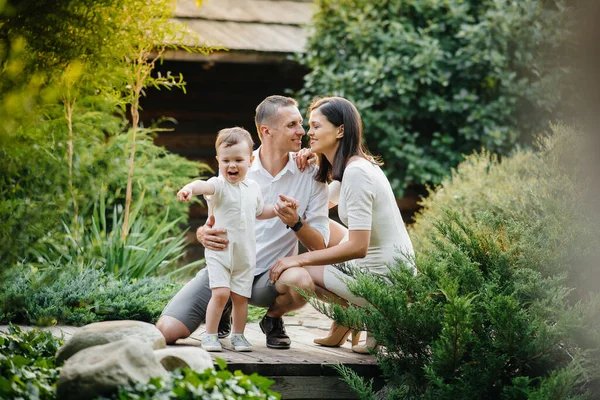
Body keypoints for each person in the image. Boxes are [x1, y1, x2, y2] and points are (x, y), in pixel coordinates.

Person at [156, 95, 330, 349]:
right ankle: (223, 303)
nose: (301, 131)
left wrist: (295, 222)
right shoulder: (236, 163)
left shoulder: (312, 174)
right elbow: (217, 212)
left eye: (301, 123)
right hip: (225, 263)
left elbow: (321, 245)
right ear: (266, 131)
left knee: (302, 282)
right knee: (167, 331)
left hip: (268, 278)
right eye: (292, 124)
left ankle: (272, 319)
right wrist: (203, 233)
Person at [269, 96, 416, 353]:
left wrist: (298, 260)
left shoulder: (357, 174)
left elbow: (358, 247)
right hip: (388, 268)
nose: (308, 133)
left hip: (384, 281)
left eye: (316, 126)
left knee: (301, 276)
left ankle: (366, 319)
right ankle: (347, 322)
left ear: (340, 130)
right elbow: (318, 207)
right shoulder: (354, 166)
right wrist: (309, 165)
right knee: (324, 226)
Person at [176, 127, 297, 352]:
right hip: (221, 253)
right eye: (226, 160)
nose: (232, 165)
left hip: (245, 255)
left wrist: (280, 208)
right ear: (218, 161)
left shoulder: (253, 188)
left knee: (241, 297)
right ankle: (210, 334)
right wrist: (189, 189)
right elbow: (202, 185)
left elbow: (261, 211)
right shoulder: (218, 185)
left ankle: (238, 335)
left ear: (250, 160)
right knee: (221, 293)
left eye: (238, 160)